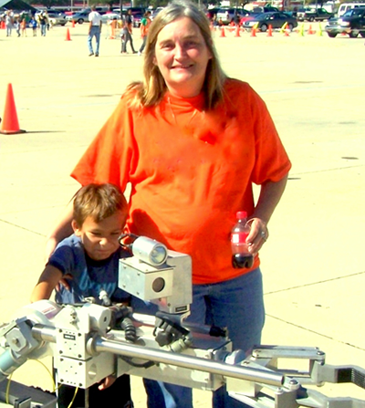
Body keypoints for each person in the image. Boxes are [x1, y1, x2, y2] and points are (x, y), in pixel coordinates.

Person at [44, 1, 291, 407]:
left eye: (191, 43)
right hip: (160, 281)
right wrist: (57, 237)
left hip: (236, 278)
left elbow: (276, 172)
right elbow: (98, 184)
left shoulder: (243, 101)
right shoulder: (137, 108)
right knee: (171, 393)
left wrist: (262, 219)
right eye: (168, 45)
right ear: (153, 55)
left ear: (209, 50)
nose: (181, 54)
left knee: (243, 383)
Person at [31, 183, 133, 408]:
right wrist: (40, 315)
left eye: (114, 234)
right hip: (71, 348)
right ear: (76, 227)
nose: (105, 243)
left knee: (115, 402)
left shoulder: (124, 260)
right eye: (96, 233)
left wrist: (115, 363)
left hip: (111, 346)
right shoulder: (69, 251)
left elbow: (125, 312)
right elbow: (42, 288)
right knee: (72, 402)